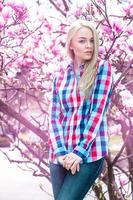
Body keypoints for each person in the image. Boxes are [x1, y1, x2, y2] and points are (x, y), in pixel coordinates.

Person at [48, 19, 113, 200]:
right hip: (60, 156)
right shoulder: (60, 75)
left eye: (92, 40)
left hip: (88, 154)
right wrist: (61, 153)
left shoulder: (102, 68)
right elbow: (54, 117)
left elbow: (97, 113)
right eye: (82, 40)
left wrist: (79, 152)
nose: (89, 45)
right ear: (71, 45)